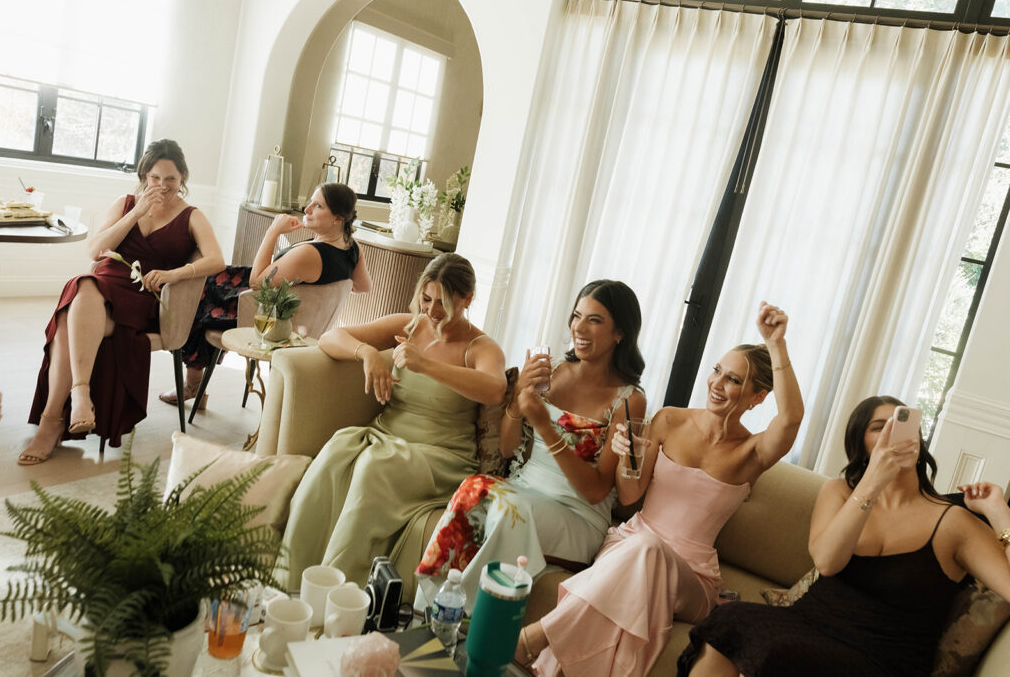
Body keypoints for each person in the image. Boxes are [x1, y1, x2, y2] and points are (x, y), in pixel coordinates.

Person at [516, 302, 803, 677]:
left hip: (692, 579)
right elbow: (631, 495)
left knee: (648, 548)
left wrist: (777, 344)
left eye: (733, 379)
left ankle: (533, 640)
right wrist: (625, 457)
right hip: (628, 547)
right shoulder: (669, 419)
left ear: (757, 397)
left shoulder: (752, 452)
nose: (716, 384)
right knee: (643, 547)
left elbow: (792, 418)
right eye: (717, 371)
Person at [678, 395, 1010, 677]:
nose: (893, 435)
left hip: (882, 658)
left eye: (903, 425)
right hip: (809, 622)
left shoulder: (953, 522)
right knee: (729, 619)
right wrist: (872, 483)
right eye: (880, 428)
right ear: (860, 444)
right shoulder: (839, 492)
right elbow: (827, 561)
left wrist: (998, 513)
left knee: (779, 651)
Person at [276, 253, 507, 590]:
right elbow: (331, 337)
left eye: (442, 302)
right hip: (386, 434)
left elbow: (495, 390)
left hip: (440, 455)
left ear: (467, 299)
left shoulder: (481, 347)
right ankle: (291, 579)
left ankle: (338, 589)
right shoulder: (410, 325)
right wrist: (367, 353)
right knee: (335, 454)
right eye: (426, 299)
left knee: (373, 467)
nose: (431, 310)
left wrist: (425, 364)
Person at [415, 280, 647, 613]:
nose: (579, 328)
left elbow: (596, 491)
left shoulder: (628, 400)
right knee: (475, 489)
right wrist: (518, 400)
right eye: (577, 316)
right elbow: (509, 449)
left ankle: (457, 617)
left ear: (619, 333)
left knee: (508, 510)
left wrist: (544, 425)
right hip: (524, 489)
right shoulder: (554, 371)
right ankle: (429, 609)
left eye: (594, 320)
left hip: (577, 514)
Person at [21, 139, 224, 464]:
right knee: (80, 293)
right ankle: (79, 394)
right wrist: (137, 212)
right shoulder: (126, 202)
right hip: (103, 284)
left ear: (182, 177)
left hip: (142, 298)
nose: (163, 186)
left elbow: (217, 260)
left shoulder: (191, 215)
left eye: (171, 179)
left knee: (71, 307)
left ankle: (52, 420)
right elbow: (95, 251)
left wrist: (174, 275)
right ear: (145, 176)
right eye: (155, 178)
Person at [157, 182, 372, 407]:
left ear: (337, 219)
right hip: (286, 311)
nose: (307, 209)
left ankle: (192, 384)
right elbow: (360, 286)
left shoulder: (309, 254)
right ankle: (194, 383)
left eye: (317, 206)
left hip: (268, 317)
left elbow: (257, 283)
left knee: (200, 299)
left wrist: (273, 230)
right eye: (310, 202)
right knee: (211, 280)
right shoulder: (351, 248)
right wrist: (315, 287)